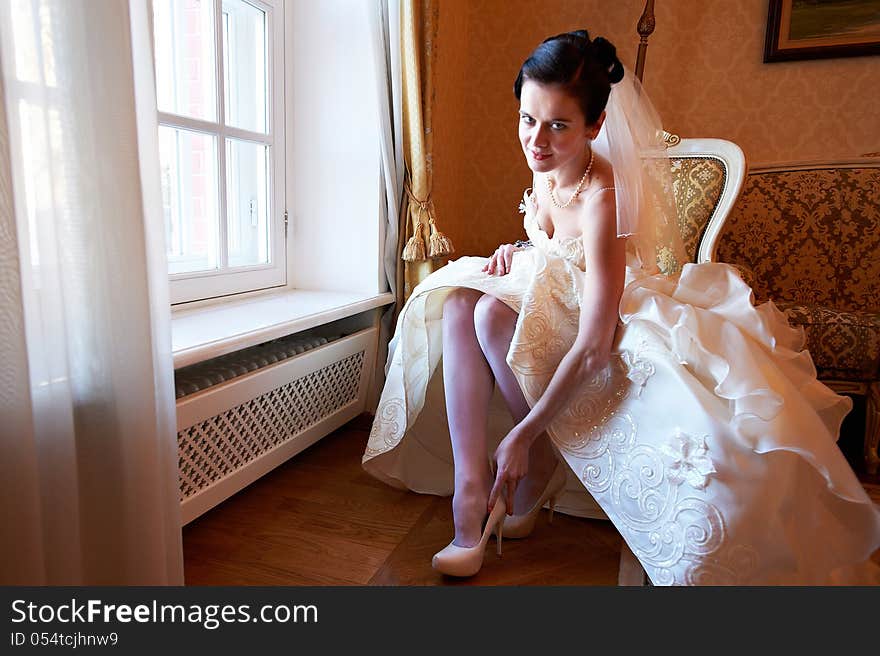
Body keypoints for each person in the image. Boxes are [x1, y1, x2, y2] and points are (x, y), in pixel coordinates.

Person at [363, 30, 880, 584]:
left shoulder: (603, 195)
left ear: (595, 127)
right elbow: (551, 244)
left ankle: (534, 460)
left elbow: (593, 342)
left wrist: (524, 433)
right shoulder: (544, 164)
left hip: (598, 313)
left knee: (488, 312)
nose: (536, 141)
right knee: (461, 298)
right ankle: (470, 499)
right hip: (554, 292)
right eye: (527, 119)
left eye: (559, 125)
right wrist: (516, 249)